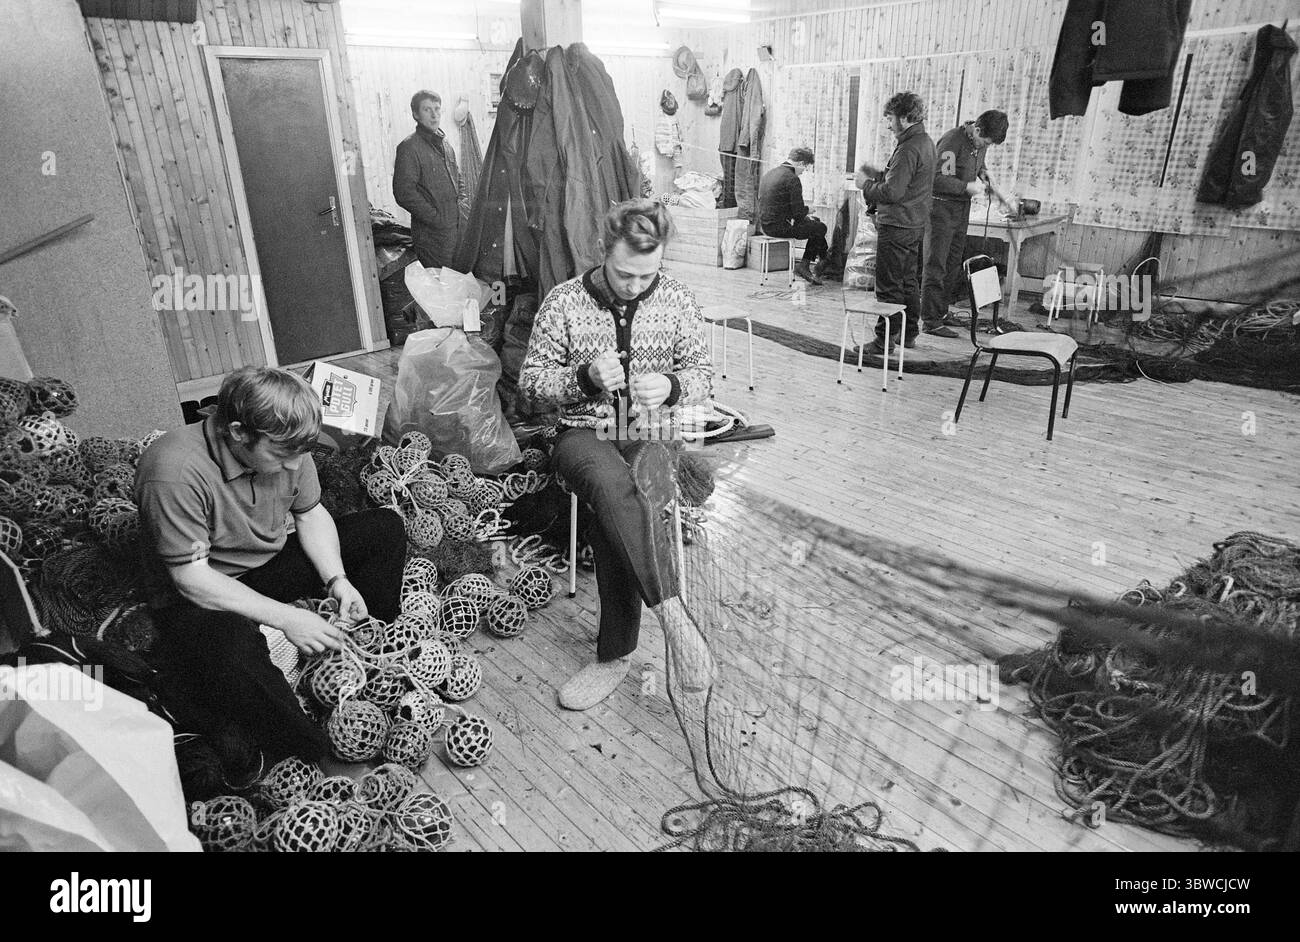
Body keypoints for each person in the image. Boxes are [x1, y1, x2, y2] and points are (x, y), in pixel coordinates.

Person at [135, 367, 407, 770]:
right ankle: (313, 752)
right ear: (239, 432)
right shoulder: (172, 471)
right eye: (281, 454)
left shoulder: (290, 448)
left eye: (301, 452)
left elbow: (311, 514)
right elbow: (190, 578)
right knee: (228, 646)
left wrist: (338, 580)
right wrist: (286, 619)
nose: (295, 463)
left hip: (265, 565)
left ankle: (370, 643)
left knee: (383, 526)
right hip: (202, 590)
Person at [520, 199, 716, 711]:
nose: (635, 286)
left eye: (647, 274)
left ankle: (615, 655)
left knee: (627, 502)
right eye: (625, 273)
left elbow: (702, 378)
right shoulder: (563, 302)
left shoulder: (676, 300)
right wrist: (583, 378)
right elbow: (530, 389)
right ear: (603, 251)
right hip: (581, 433)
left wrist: (672, 386)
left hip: (649, 430)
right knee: (611, 485)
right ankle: (672, 613)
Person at [857, 92, 936, 353]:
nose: (888, 124)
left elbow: (893, 193)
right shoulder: (924, 141)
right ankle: (909, 333)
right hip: (914, 225)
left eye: (890, 118)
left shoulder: (909, 147)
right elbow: (903, 181)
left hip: (898, 226)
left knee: (889, 285)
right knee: (909, 282)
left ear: (904, 117)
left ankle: (883, 341)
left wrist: (865, 184)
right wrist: (878, 173)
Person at [923, 110, 1010, 338]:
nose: (985, 146)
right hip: (940, 210)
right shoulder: (953, 140)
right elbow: (936, 178)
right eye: (985, 142)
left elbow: (975, 163)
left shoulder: (979, 142)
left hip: (961, 209)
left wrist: (984, 173)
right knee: (936, 264)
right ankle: (930, 321)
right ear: (977, 130)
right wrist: (965, 187)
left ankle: (941, 313)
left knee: (953, 264)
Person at [393, 90, 471, 270]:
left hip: (457, 229)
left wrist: (464, 205)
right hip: (432, 237)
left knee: (459, 282)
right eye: (427, 110)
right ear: (416, 114)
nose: (434, 114)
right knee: (442, 288)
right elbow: (404, 193)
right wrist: (436, 218)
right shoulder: (409, 148)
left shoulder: (444, 144)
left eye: (437, 109)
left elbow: (458, 178)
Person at [757, 147, 829, 285]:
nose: (803, 172)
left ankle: (824, 259)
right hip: (780, 228)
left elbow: (780, 205)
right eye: (805, 168)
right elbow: (798, 213)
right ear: (801, 163)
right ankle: (806, 265)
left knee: (815, 224)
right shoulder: (792, 179)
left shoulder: (770, 174)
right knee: (820, 228)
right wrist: (809, 210)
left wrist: (805, 216)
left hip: (766, 226)